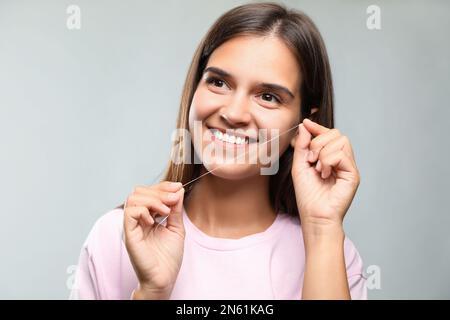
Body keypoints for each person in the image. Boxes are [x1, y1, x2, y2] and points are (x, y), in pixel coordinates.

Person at [70, 2, 367, 300]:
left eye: (268, 96)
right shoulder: (115, 239)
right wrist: (152, 292)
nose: (234, 113)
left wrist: (321, 229)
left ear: (306, 122)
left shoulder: (332, 255)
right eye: (218, 82)